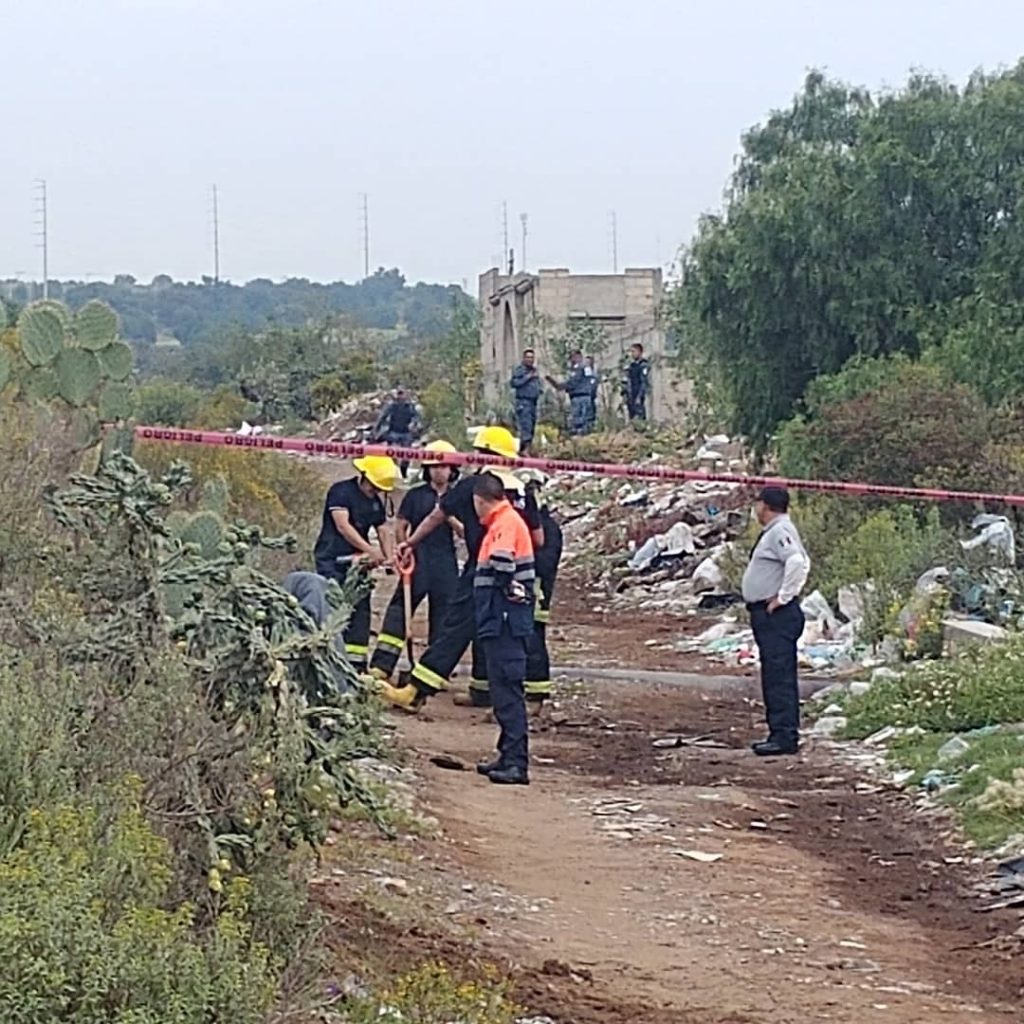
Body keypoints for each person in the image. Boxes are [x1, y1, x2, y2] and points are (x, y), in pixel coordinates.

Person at [378, 426, 541, 712]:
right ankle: (491, 693)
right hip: (519, 571)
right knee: (503, 632)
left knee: (455, 629)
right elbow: (539, 537)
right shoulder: (523, 490)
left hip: (483, 568)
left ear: (485, 454)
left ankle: (416, 692)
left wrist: (410, 542)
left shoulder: (474, 487)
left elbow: (437, 516)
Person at [368, 440, 461, 681]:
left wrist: (446, 514)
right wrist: (404, 549)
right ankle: (382, 664)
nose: (439, 471)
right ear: (426, 469)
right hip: (418, 559)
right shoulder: (416, 495)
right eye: (434, 466)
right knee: (400, 609)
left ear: (452, 469)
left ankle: (434, 672)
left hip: (445, 561)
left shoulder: (458, 497)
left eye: (443, 466)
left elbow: (464, 532)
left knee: (445, 615)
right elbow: (401, 525)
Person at [471, 471, 536, 786]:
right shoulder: (503, 522)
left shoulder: (505, 524)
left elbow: (502, 564)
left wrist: (497, 602)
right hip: (503, 619)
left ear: (480, 500)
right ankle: (507, 755)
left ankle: (515, 763)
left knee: (508, 692)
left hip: (505, 620)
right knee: (502, 690)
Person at [741, 486, 810, 756]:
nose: (755, 509)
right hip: (769, 614)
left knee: (779, 677)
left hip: (776, 615)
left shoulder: (780, 531)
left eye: (757, 503)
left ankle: (784, 736)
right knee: (773, 674)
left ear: (765, 505)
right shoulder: (776, 531)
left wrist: (783, 597)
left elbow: (797, 562)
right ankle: (778, 732)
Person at [312, 455, 398, 672]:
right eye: (373, 487)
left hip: (357, 564)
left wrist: (389, 557)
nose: (375, 491)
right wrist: (370, 550)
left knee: (360, 611)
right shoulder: (341, 492)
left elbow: (383, 529)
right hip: (332, 558)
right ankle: (329, 660)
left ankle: (356, 665)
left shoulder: (375, 502)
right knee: (332, 607)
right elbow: (343, 526)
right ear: (364, 476)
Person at [373, 387, 422, 479]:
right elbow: (382, 417)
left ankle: (403, 473)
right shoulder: (392, 406)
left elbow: (417, 417)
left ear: (406, 395)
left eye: (402, 394)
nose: (401, 396)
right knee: (392, 452)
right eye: (399, 394)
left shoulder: (410, 407)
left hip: (406, 432)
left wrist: (414, 423)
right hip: (393, 432)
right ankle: (392, 471)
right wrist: (376, 430)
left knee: (407, 455)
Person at [546, 350, 591, 436]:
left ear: (579, 357)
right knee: (577, 419)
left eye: (573, 357)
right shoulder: (573, 370)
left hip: (581, 396)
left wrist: (560, 386)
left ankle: (582, 435)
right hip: (576, 396)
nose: (572, 359)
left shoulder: (582, 368)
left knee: (581, 420)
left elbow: (574, 382)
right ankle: (579, 435)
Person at [510, 349, 541, 455]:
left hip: (533, 403)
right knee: (526, 426)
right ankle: (524, 450)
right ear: (524, 358)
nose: (530, 360)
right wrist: (528, 377)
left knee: (531, 427)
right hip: (524, 402)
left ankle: (526, 449)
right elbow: (514, 383)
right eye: (528, 357)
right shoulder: (520, 370)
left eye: (532, 358)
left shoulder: (534, 370)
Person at [625, 343, 651, 421]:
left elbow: (644, 382)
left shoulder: (643, 365)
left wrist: (640, 396)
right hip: (631, 394)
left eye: (634, 351)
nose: (632, 354)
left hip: (638, 392)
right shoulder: (632, 366)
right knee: (632, 415)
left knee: (639, 414)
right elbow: (629, 380)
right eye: (631, 352)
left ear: (639, 352)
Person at [584, 356, 599, 432]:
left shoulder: (594, 371)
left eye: (589, 362)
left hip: (592, 394)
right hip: (585, 394)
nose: (587, 363)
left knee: (592, 411)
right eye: (586, 362)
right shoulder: (584, 371)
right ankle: (587, 427)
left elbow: (594, 382)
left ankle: (591, 426)